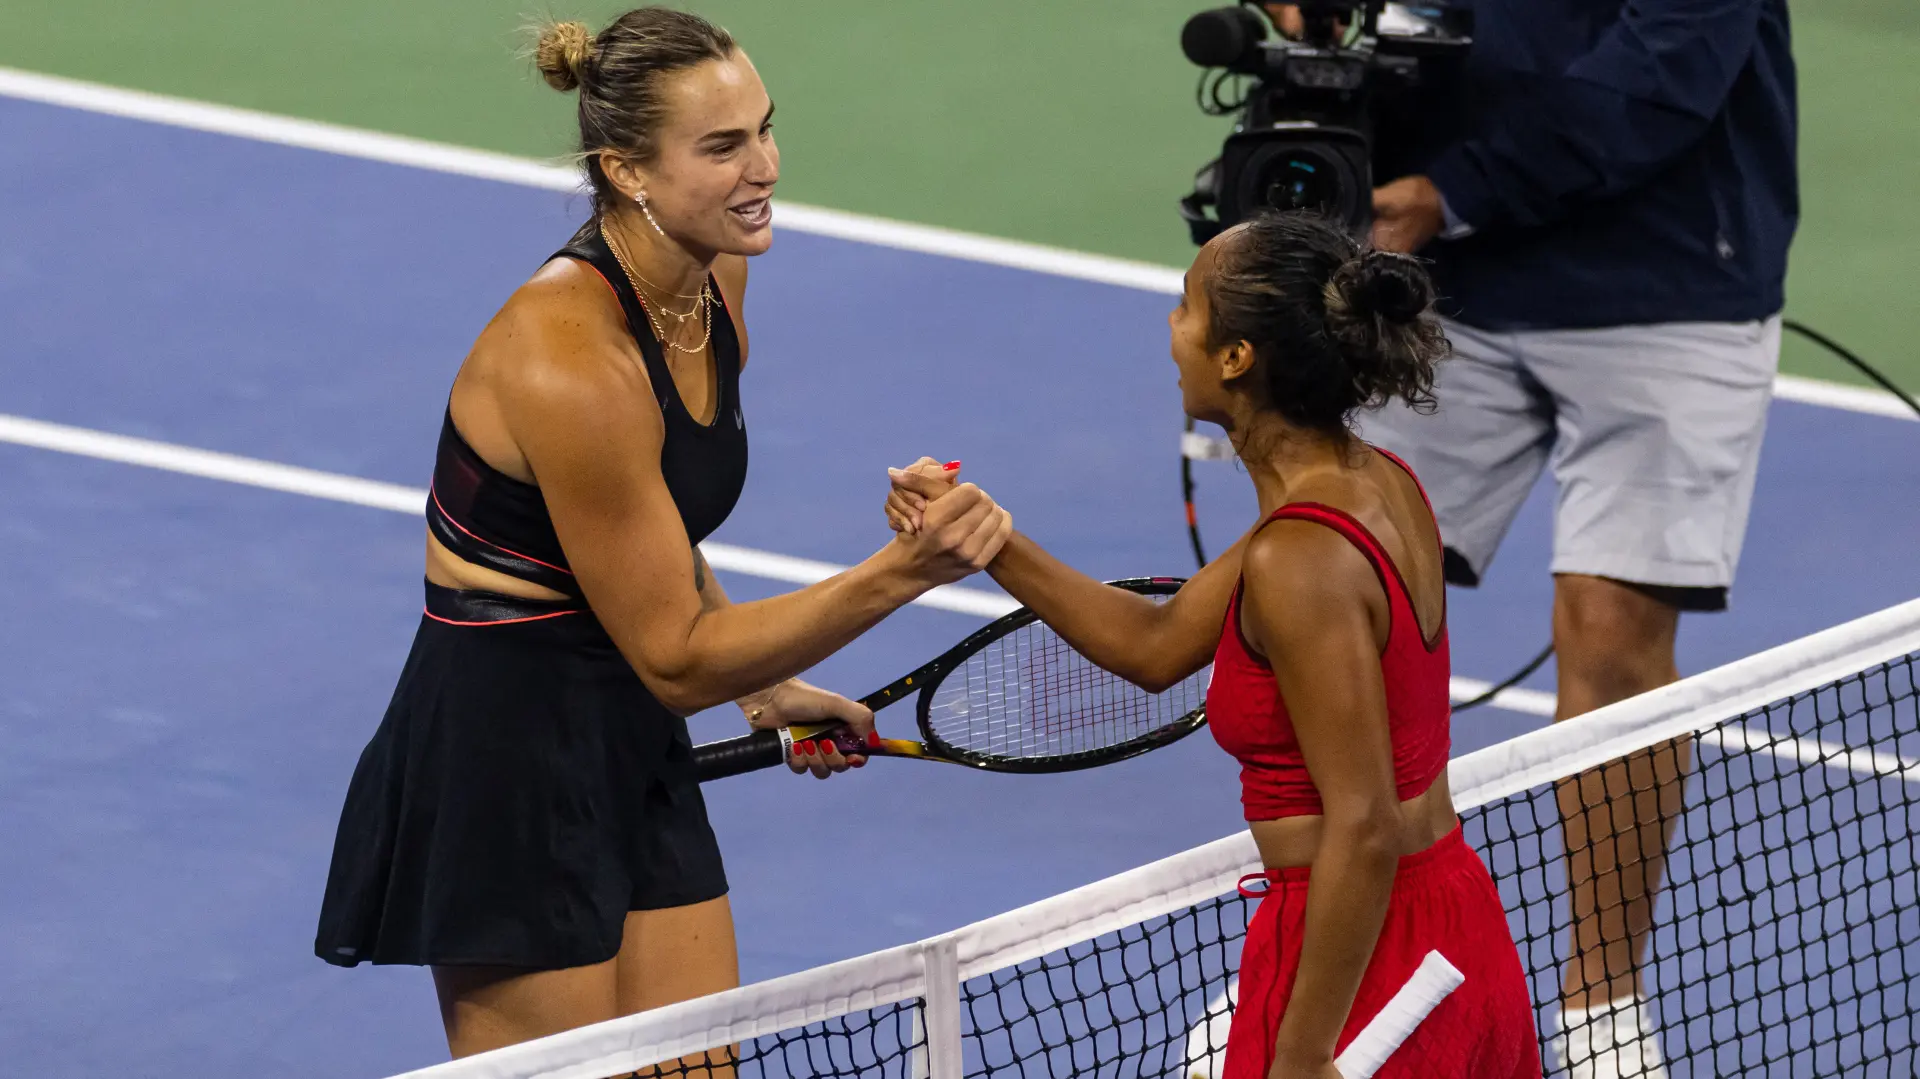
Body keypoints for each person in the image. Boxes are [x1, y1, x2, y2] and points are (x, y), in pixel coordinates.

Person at [313, 8, 1013, 1061]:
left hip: (631, 735)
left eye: (765, 129)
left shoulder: (712, 279)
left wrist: (769, 687)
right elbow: (678, 656)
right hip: (504, 759)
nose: (765, 166)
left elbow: (656, 528)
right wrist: (903, 571)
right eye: (723, 147)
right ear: (626, 171)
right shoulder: (568, 357)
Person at [889, 212, 1538, 1079]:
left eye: (1188, 306)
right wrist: (988, 538)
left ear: (1236, 357)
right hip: (1449, 924)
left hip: (1357, 958)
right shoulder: (1365, 482)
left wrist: (1304, 1052)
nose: (1171, 327)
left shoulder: (1300, 557)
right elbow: (1157, 644)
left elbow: (1365, 823)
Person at [1295, 3, 1794, 1075]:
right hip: (1442, 289)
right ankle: (1327, 977)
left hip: (1663, 284)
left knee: (1610, 641)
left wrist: (1453, 191)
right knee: (1328, 606)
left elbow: (1662, 73)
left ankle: (1601, 1006)